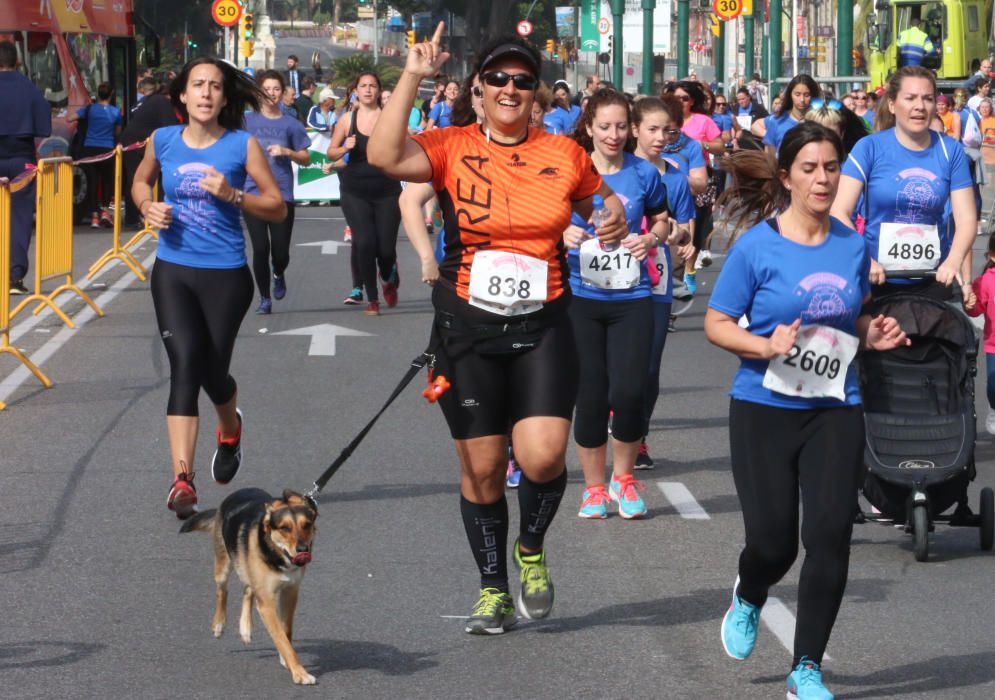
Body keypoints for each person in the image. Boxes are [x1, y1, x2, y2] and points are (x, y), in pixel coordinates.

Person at [368, 26, 626, 635]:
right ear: (478, 91)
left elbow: (604, 203)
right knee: (483, 470)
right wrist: (412, 75)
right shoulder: (451, 144)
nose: (511, 89)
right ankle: (492, 588)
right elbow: (383, 155)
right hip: (467, 330)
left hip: (543, 327)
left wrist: (612, 218)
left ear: (536, 95)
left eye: (523, 81)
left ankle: (530, 549)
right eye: (498, 80)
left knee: (540, 459)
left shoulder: (564, 154)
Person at [705, 121, 910, 700]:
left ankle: (806, 669)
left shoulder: (850, 243)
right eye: (810, 168)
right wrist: (765, 345)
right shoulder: (757, 248)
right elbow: (719, 325)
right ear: (787, 176)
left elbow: (856, 317)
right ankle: (749, 592)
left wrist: (876, 331)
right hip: (764, 407)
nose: (823, 179)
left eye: (831, 167)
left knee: (829, 534)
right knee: (775, 543)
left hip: (834, 405)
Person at [130, 57, 286, 518]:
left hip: (226, 276)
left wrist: (234, 195)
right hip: (173, 272)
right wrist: (146, 206)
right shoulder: (163, 140)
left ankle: (230, 427)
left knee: (212, 374)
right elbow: (141, 180)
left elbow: (276, 207)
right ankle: (183, 479)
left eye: (214, 86)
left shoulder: (242, 145)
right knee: (184, 366)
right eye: (197, 85)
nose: (205, 93)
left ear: (223, 97)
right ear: (182, 94)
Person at [563, 88, 668, 519]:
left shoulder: (644, 174)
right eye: (604, 126)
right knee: (590, 395)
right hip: (580, 297)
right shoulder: (570, 169)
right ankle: (592, 489)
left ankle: (623, 479)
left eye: (622, 126)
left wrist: (650, 237)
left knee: (629, 392)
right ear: (588, 127)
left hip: (633, 297)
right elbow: (542, 217)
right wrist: (560, 235)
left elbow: (662, 219)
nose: (614, 134)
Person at [832, 66, 975, 302]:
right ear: (891, 104)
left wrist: (953, 261)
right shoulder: (869, 147)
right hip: (875, 280)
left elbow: (967, 218)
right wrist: (864, 258)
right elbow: (839, 211)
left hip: (933, 279)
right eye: (910, 98)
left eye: (928, 99)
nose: (919, 106)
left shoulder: (951, 151)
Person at [631, 97, 698, 468]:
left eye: (668, 131)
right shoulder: (618, 169)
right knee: (616, 363)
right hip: (610, 280)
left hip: (656, 278)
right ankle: (616, 411)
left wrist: (681, 241)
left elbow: (686, 230)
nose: (660, 138)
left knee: (651, 364)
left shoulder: (674, 175)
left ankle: (638, 435)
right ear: (635, 129)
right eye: (652, 130)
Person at [327, 72, 401, 316]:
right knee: (366, 243)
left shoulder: (390, 117)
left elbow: (406, 144)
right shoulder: (347, 119)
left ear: (379, 90)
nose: (368, 90)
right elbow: (330, 152)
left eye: (372, 86)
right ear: (356, 90)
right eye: (363, 86)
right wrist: (343, 147)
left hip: (387, 190)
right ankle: (372, 299)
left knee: (387, 249)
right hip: (354, 190)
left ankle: (389, 273)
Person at [244, 70, 311, 314]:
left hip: (282, 194)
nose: (271, 93)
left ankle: (278, 271)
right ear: (258, 92)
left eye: (276, 89)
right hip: (252, 193)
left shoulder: (291, 124)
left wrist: (288, 153)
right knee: (260, 248)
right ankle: (264, 298)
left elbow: (305, 158)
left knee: (280, 252)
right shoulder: (246, 122)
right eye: (267, 89)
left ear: (282, 93)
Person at [0, 40, 51, 294]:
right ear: (17, 61)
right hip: (22, 159)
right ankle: (14, 276)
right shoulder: (30, 89)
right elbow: (45, 128)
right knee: (20, 218)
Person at [665, 81, 723, 292]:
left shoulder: (702, 121)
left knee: (694, 229)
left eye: (685, 98)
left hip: (697, 177)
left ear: (693, 101)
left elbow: (720, 145)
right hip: (667, 188)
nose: (680, 101)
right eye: (676, 97)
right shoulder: (662, 120)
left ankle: (687, 268)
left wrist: (702, 145)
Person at [119, 75, 180, 228]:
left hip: (132, 141)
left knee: (133, 178)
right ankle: (135, 217)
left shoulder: (151, 100)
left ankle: (133, 217)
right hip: (136, 144)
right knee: (136, 179)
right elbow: (171, 127)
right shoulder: (162, 102)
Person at [67, 82, 122, 228]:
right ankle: (105, 211)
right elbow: (117, 132)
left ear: (98, 93)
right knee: (106, 182)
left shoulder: (89, 109)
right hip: (107, 150)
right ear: (111, 94)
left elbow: (70, 118)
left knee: (92, 182)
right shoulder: (116, 112)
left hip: (89, 149)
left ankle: (94, 217)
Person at [967, 232, 995, 433]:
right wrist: (970, 304)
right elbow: (977, 309)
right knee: (994, 384)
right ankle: (994, 409)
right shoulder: (986, 281)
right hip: (994, 344)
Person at [763, 74, 820, 156]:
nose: (802, 99)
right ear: (790, 95)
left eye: (806, 95)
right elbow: (769, 156)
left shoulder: (819, 122)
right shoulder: (776, 122)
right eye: (797, 94)